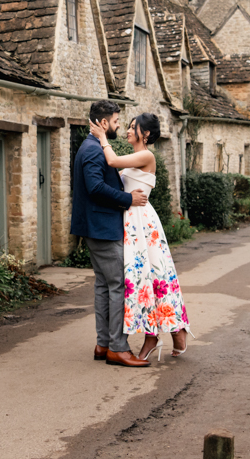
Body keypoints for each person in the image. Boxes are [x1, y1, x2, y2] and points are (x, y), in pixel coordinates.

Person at [89, 112, 193, 360]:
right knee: (140, 280)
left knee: (157, 276)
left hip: (143, 222)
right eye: (127, 126)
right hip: (130, 222)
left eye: (133, 127)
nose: (127, 130)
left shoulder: (147, 155)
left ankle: (173, 330)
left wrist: (102, 137)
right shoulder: (134, 156)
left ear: (145, 134)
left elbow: (112, 161)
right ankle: (153, 332)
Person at [71, 100, 150, 368]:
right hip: (103, 229)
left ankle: (103, 344)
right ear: (104, 123)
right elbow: (95, 188)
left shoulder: (90, 146)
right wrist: (128, 199)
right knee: (118, 286)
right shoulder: (94, 150)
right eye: (116, 121)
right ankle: (118, 347)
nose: (118, 125)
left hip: (96, 227)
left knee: (104, 285)